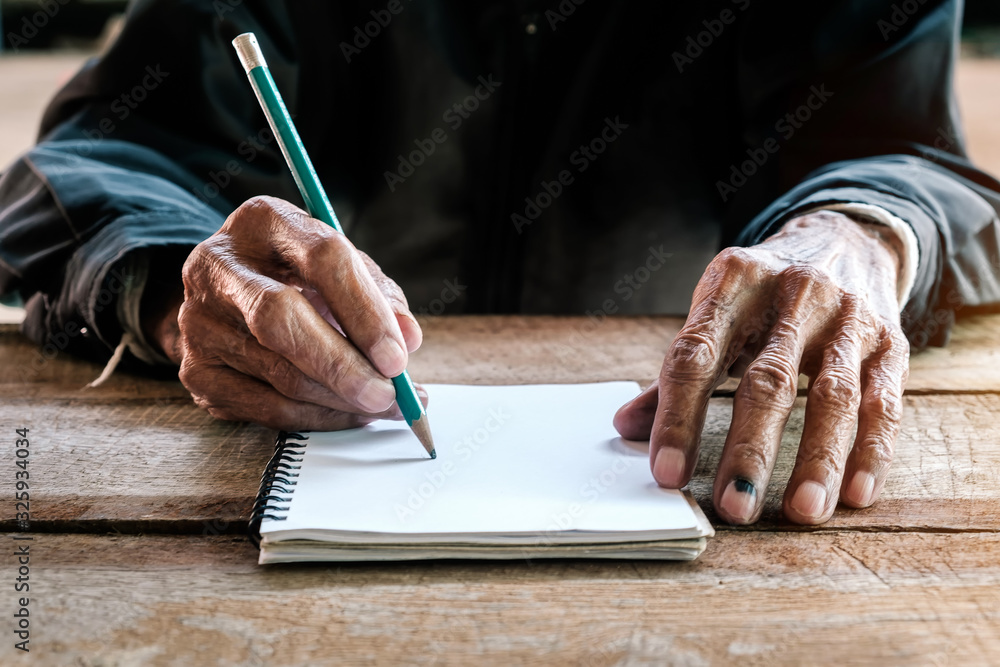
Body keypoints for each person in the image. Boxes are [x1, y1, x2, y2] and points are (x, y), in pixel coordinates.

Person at [1, 0, 998, 526]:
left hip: (684, 446)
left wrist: (862, 228)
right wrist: (187, 287)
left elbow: (903, 153)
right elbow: (97, 163)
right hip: (309, 445)